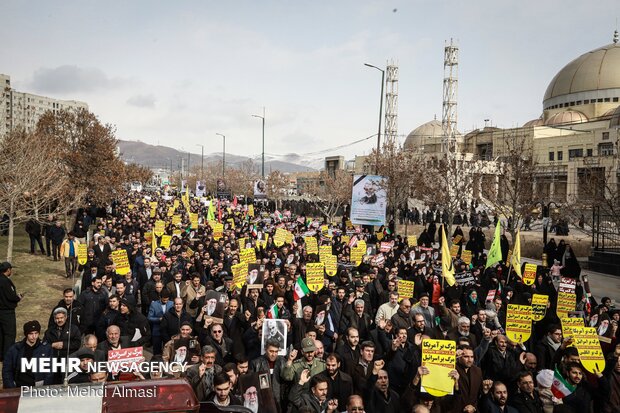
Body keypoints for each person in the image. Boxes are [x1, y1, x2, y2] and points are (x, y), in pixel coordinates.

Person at [2, 320, 53, 388]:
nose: (34, 336)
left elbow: (50, 371)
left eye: (36, 333)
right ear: (26, 334)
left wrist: (44, 388)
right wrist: (12, 387)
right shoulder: (15, 349)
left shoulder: (46, 348)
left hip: (38, 388)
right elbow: (7, 370)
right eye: (31, 334)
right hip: (18, 386)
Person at [0, 262, 22, 360]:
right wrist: (18, 297)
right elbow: (11, 296)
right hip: (6, 312)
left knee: (1, 333)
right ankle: (8, 356)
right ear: (8, 270)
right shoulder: (5, 281)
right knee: (9, 334)